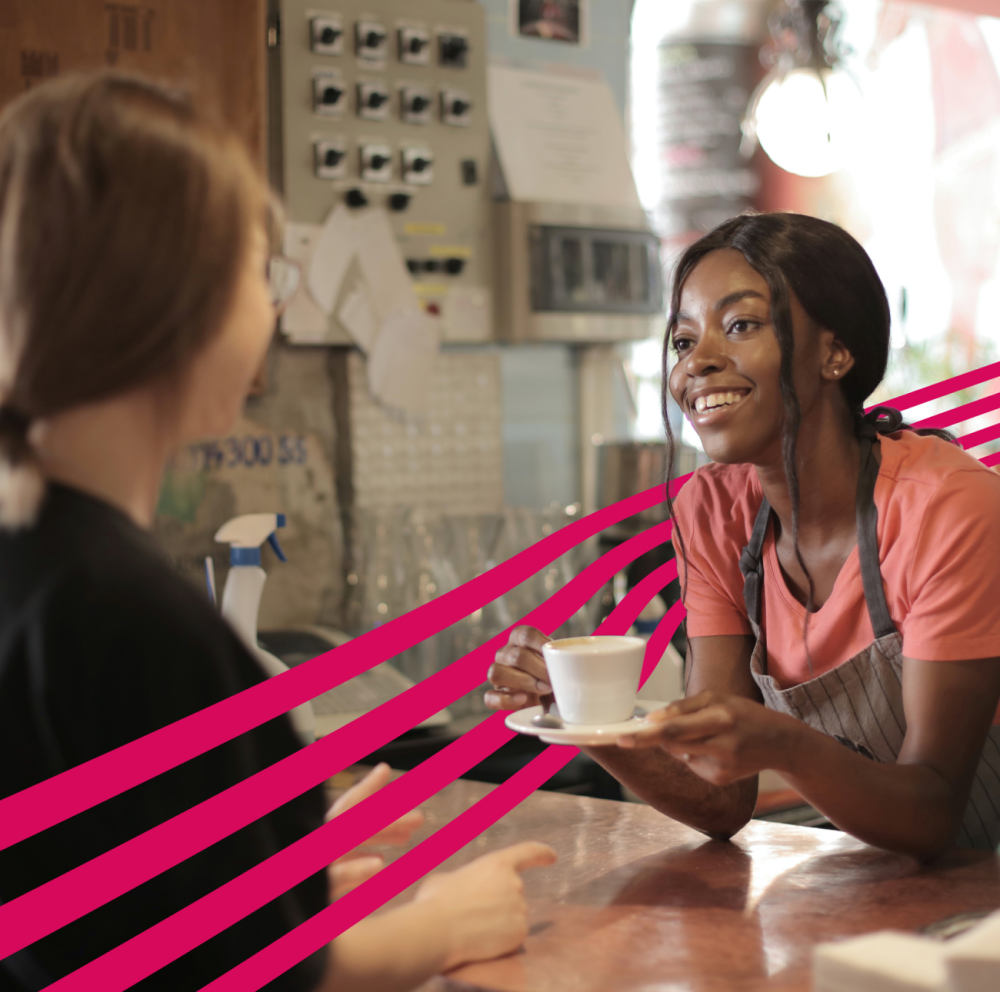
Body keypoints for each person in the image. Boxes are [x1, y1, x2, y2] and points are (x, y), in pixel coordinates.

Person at [0, 71, 554, 992]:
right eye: (261, 274)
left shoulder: (36, 569)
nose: (271, 310)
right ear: (178, 302)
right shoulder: (133, 616)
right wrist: (446, 927)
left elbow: (97, 908)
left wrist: (287, 854)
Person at [488, 211, 1000, 861]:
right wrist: (586, 716)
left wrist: (785, 743)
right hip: (893, 895)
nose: (697, 364)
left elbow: (933, 813)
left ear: (836, 353)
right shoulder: (711, 514)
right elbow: (723, 802)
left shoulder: (949, 510)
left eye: (740, 326)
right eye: (682, 341)